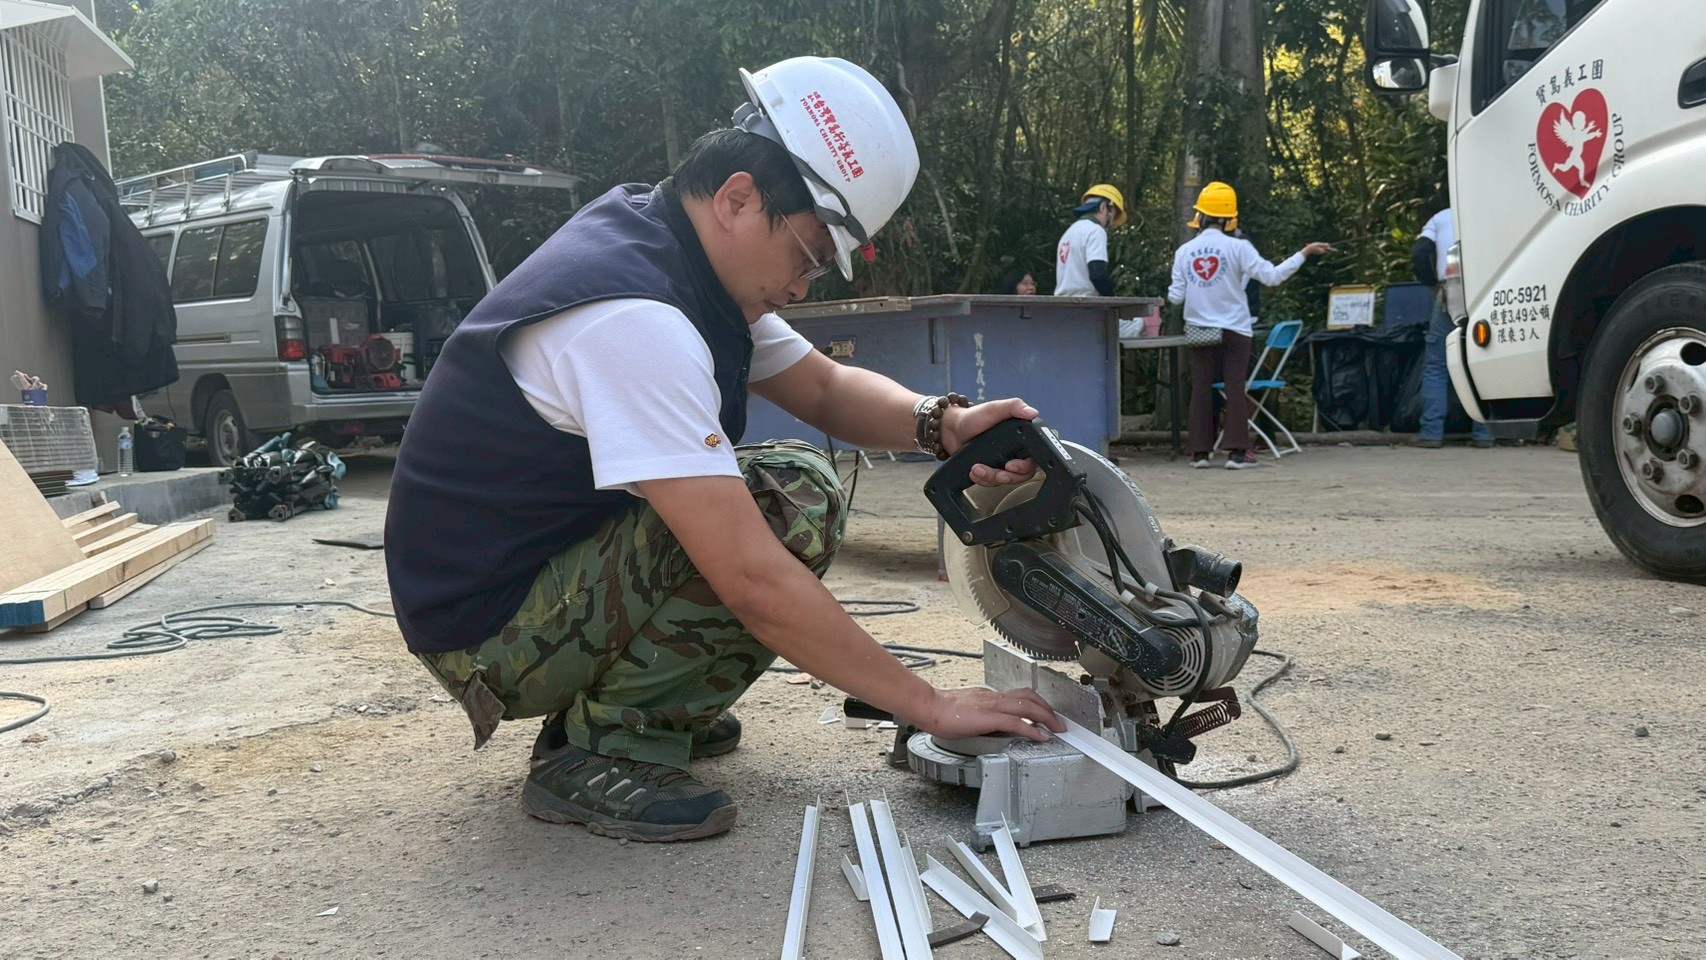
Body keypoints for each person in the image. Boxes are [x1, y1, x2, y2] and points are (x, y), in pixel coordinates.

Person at [384, 56, 1063, 844]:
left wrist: (941, 424)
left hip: (518, 583)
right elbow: (749, 577)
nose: (803, 287)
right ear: (739, 198)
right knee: (789, 498)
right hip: (488, 637)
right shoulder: (639, 320)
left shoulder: (668, 247)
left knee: (778, 488)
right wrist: (930, 705)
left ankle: (645, 696)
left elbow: (823, 388)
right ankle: (605, 744)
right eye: (807, 257)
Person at [1167, 181, 1331, 469]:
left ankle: (1200, 453)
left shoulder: (1184, 252)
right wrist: (1303, 253)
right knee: (1235, 386)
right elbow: (1272, 277)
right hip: (1235, 328)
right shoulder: (1239, 248)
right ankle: (1237, 453)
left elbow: (1176, 297)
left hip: (1198, 328)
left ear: (1201, 216)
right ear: (1229, 219)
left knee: (1201, 388)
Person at [1412, 207, 1493, 449]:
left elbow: (1420, 252)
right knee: (1485, 359)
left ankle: (1431, 433)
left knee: (1437, 365)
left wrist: (1432, 285)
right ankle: (1485, 433)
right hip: (1488, 287)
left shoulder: (1440, 217)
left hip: (1452, 288)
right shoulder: (1490, 210)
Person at [1053, 184, 1126, 297]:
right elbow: (1097, 274)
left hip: (1063, 302)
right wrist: (1112, 298)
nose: (1110, 224)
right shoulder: (1095, 230)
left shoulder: (1070, 231)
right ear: (1103, 207)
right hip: (1085, 302)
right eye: (1112, 216)